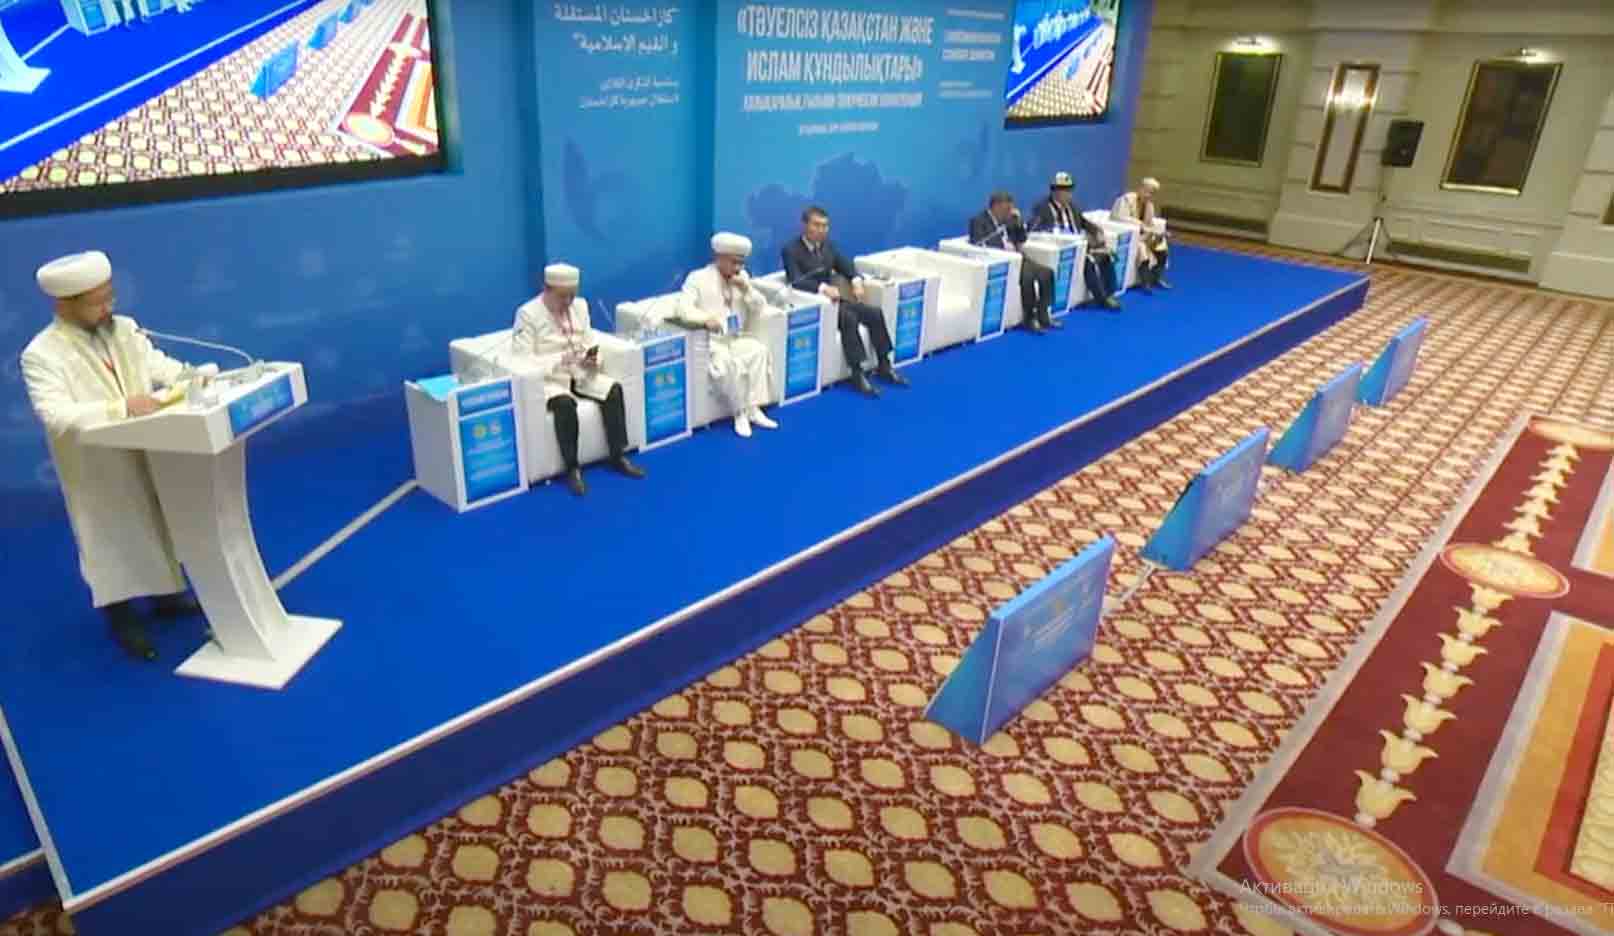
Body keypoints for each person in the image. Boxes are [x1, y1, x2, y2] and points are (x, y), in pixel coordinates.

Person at [20, 251, 209, 662]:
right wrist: (121, 408)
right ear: (65, 305)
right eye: (97, 302)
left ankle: (165, 597)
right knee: (110, 540)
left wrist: (192, 376)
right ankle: (121, 617)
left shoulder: (125, 329)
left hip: (146, 448)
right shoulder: (42, 354)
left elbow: (157, 365)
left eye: (110, 297)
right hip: (96, 466)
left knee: (156, 524)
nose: (107, 308)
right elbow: (55, 415)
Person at [512, 263, 646, 496]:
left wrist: (594, 359)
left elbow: (590, 340)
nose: (568, 302)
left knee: (613, 390)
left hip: (580, 371)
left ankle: (618, 455)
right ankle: (572, 468)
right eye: (562, 296)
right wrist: (558, 360)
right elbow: (522, 359)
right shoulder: (527, 314)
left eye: (572, 296)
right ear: (546, 289)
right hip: (550, 379)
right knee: (565, 405)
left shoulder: (580, 306)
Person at [781, 206, 909, 398]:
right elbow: (796, 280)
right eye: (817, 225)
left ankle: (884, 364)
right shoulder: (791, 250)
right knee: (849, 318)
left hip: (835, 301)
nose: (822, 230)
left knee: (874, 313)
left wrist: (856, 280)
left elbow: (846, 265)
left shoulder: (828, 246)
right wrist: (823, 288)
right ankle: (857, 373)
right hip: (813, 304)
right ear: (805, 225)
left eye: (825, 226)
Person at [674, 233, 779, 438]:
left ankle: (753, 408)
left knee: (758, 351)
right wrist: (705, 319)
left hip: (735, 337)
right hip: (711, 341)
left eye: (741, 263)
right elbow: (683, 308)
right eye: (734, 262)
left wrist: (747, 289)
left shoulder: (742, 277)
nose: (738, 268)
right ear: (719, 258)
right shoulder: (698, 278)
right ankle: (739, 413)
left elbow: (760, 306)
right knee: (728, 362)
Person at [967, 191, 1060, 334]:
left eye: (1010, 209)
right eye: (1006, 209)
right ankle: (1030, 318)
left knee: (1047, 273)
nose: (1009, 212)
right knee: (1027, 278)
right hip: (1002, 261)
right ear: (996, 206)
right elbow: (978, 243)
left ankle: (1043, 313)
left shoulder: (1009, 220)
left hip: (1018, 258)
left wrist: (1018, 224)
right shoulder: (978, 221)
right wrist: (1002, 241)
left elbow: (1022, 239)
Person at [1031, 171, 1121, 310]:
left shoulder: (1072, 206)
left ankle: (1110, 292)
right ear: (1055, 191)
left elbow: (1083, 222)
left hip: (1080, 244)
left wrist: (1096, 231)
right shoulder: (1042, 208)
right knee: (1088, 262)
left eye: (1070, 190)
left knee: (1106, 255)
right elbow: (1037, 230)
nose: (1069, 194)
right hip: (1063, 246)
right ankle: (1102, 298)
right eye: (1065, 191)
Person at [1112, 177, 1171, 290]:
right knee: (1142, 249)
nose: (1148, 195)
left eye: (1152, 193)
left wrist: (1159, 233)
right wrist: (1141, 226)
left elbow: (1150, 225)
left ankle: (1156, 277)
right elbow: (1120, 219)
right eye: (1147, 191)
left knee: (1161, 246)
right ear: (1140, 188)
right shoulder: (1126, 200)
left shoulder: (1149, 206)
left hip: (1143, 235)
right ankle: (1145, 282)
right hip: (1128, 235)